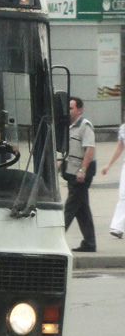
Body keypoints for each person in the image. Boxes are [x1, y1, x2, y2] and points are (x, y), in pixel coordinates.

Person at [63, 96, 96, 252]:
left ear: (80, 109)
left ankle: (57, 239)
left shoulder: (85, 126)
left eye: (71, 108)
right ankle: (90, 243)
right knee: (82, 209)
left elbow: (89, 149)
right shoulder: (69, 127)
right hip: (72, 172)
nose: (68, 111)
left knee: (70, 207)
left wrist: (83, 170)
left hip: (82, 174)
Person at [102, 112, 125, 240]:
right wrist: (108, 165)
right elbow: (119, 148)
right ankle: (118, 227)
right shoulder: (123, 129)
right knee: (123, 196)